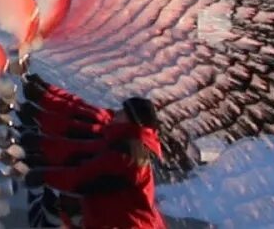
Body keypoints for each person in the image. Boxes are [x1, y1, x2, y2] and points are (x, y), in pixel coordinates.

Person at [22, 92, 166, 229]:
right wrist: (43, 149)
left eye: (123, 112)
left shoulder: (127, 155)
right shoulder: (122, 146)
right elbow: (80, 152)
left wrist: (45, 175)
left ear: (132, 121)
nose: (117, 114)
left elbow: (83, 178)